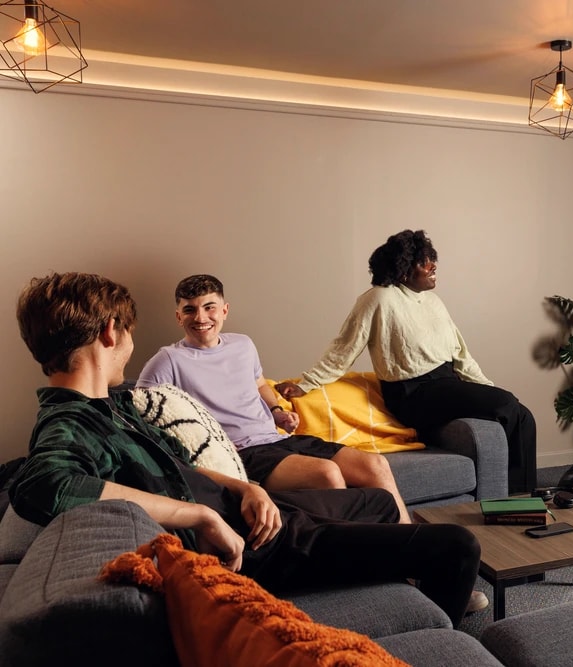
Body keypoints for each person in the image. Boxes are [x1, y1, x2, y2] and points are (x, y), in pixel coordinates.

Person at [10, 272, 484, 625]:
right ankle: (433, 629)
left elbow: (177, 464)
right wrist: (201, 515)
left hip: (254, 507)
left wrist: (244, 487)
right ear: (111, 332)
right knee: (458, 547)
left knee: (379, 498)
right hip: (257, 548)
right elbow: (42, 484)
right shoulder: (69, 421)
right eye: (130, 332)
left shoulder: (113, 405)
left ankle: (396, 572)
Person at [275, 230, 537, 493]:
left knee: (522, 414)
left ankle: (526, 498)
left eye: (432, 259)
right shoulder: (379, 298)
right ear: (403, 270)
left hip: (446, 383)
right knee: (505, 404)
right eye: (424, 261)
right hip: (413, 393)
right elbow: (344, 348)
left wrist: (487, 388)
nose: (433, 266)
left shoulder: (434, 302)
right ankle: (514, 500)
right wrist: (307, 384)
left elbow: (462, 356)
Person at [136, 274, 412, 524]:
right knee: (327, 474)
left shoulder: (242, 344)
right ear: (178, 316)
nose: (200, 317)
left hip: (277, 439)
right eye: (189, 309)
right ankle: (358, 550)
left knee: (375, 464)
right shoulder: (168, 360)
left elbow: (259, 384)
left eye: (209, 307)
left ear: (224, 310)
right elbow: (141, 414)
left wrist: (277, 410)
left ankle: (409, 545)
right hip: (243, 453)